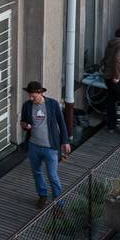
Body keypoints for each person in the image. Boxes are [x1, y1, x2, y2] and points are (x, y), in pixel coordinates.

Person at [20, 81, 71, 210]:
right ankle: (42, 195)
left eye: (33, 96)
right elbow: (23, 122)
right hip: (33, 146)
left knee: (52, 176)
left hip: (50, 147)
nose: (31, 99)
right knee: (36, 172)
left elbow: (61, 123)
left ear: (40, 93)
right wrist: (25, 126)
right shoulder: (27, 106)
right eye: (29, 96)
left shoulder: (53, 104)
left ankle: (58, 204)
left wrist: (65, 141)